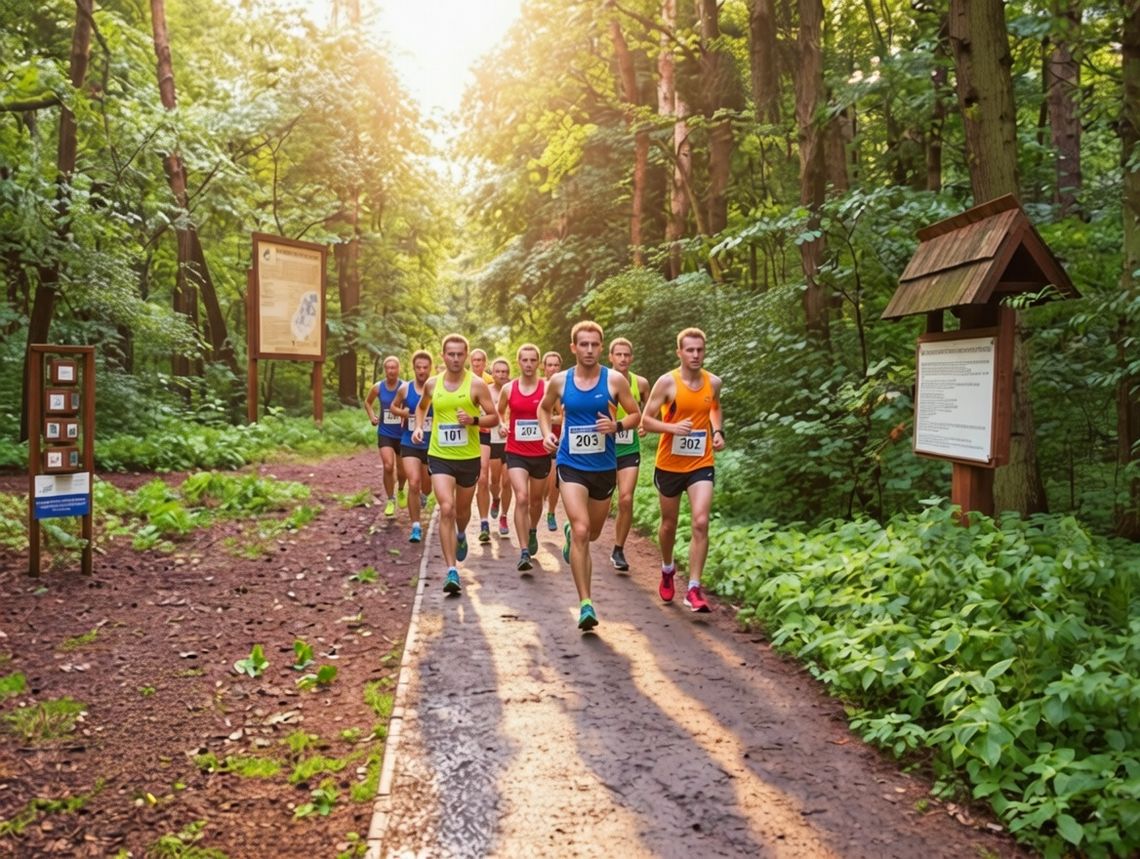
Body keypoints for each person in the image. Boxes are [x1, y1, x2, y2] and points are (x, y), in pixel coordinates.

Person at [539, 321, 640, 630]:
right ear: (574, 347)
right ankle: (586, 603)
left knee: (592, 532)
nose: (589, 350)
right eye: (583, 344)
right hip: (571, 465)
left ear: (601, 346)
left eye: (595, 344)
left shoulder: (615, 380)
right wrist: (546, 435)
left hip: (604, 468)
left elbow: (636, 414)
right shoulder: (559, 381)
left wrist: (617, 426)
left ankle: (573, 534)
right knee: (583, 530)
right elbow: (544, 410)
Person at [640, 327, 725, 613]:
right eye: (689, 350)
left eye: (700, 349)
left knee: (701, 521)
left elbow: (714, 407)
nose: (695, 354)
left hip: (701, 462)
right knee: (669, 524)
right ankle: (667, 568)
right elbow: (646, 421)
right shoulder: (667, 383)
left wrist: (718, 430)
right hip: (669, 464)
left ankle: (693, 588)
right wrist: (672, 428)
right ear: (679, 352)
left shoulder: (713, 382)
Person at [413, 335, 500, 595]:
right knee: (446, 508)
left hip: (468, 458)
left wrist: (473, 420)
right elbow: (421, 408)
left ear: (466, 355)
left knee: (462, 512)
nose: (455, 358)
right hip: (440, 456)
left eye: (460, 354)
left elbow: (494, 418)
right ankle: (451, 570)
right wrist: (419, 427)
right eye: (450, 354)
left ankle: (461, 533)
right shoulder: (431, 385)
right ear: (443, 356)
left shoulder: (476, 385)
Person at [498, 344, 550, 572]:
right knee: (522, 497)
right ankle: (523, 551)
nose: (528, 364)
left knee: (537, 501)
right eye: (524, 360)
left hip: (541, 453)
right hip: (516, 451)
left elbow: (559, 413)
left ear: (538, 363)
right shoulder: (509, 389)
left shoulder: (548, 388)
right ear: (518, 362)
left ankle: (532, 530)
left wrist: (548, 428)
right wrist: (501, 425)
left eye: (532, 360)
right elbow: (499, 412)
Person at [608, 337, 649, 572]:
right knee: (599, 501)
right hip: (601, 449)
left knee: (625, 498)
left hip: (628, 449)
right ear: (611, 357)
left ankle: (619, 549)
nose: (623, 359)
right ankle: (578, 530)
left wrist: (644, 424)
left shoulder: (641, 383)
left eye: (627, 355)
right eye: (619, 354)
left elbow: (650, 410)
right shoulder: (602, 381)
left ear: (631, 358)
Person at [389, 350, 433, 544]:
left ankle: (424, 495)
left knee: (427, 486)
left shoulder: (437, 387)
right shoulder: (405, 389)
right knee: (413, 482)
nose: (422, 371)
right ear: (413, 368)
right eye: (418, 367)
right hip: (409, 441)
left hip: (432, 444)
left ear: (430, 368)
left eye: (425, 367)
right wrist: (404, 414)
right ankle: (415, 526)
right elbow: (393, 407)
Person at [364, 356, 408, 518]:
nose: (391, 370)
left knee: (403, 471)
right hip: (385, 433)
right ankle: (391, 499)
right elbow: (367, 402)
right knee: (388, 466)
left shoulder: (404, 387)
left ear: (398, 369)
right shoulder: (378, 387)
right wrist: (372, 416)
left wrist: (405, 414)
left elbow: (412, 404)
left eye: (394, 367)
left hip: (402, 434)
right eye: (388, 368)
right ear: (385, 370)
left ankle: (402, 489)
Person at [470, 348, 496, 544]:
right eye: (474, 360)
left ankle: (484, 522)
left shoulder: (490, 382)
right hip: (463, 434)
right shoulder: (463, 380)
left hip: (484, 433)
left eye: (480, 360)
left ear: (485, 363)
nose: (477, 363)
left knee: (484, 477)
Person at [488, 357, 513, 536]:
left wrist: (509, 425)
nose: (502, 374)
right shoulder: (486, 391)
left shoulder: (514, 389)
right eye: (498, 371)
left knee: (507, 481)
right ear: (492, 373)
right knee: (495, 480)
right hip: (493, 440)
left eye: (505, 371)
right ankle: (495, 499)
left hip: (511, 441)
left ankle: (504, 516)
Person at [541, 350, 563, 532]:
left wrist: (550, 419)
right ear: (544, 367)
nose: (553, 368)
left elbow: (566, 417)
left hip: (558, 439)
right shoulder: (539, 386)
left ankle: (551, 512)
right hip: (536, 439)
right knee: (542, 484)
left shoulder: (566, 387)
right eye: (550, 365)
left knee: (554, 478)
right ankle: (540, 503)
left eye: (556, 365)